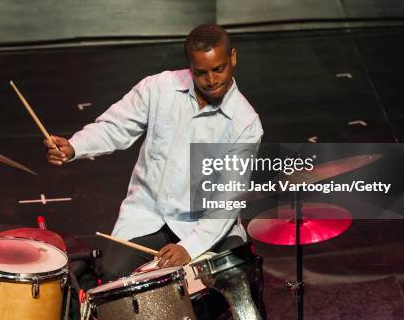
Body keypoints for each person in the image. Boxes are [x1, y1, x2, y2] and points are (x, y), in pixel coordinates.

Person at [44, 24, 263, 282]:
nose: (212, 80)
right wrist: (74, 147)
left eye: (219, 69)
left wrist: (189, 248)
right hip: (148, 216)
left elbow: (226, 201)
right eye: (201, 72)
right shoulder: (158, 87)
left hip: (207, 226)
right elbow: (115, 127)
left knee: (231, 279)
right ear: (190, 66)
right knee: (114, 274)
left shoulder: (246, 124)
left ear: (233, 58)